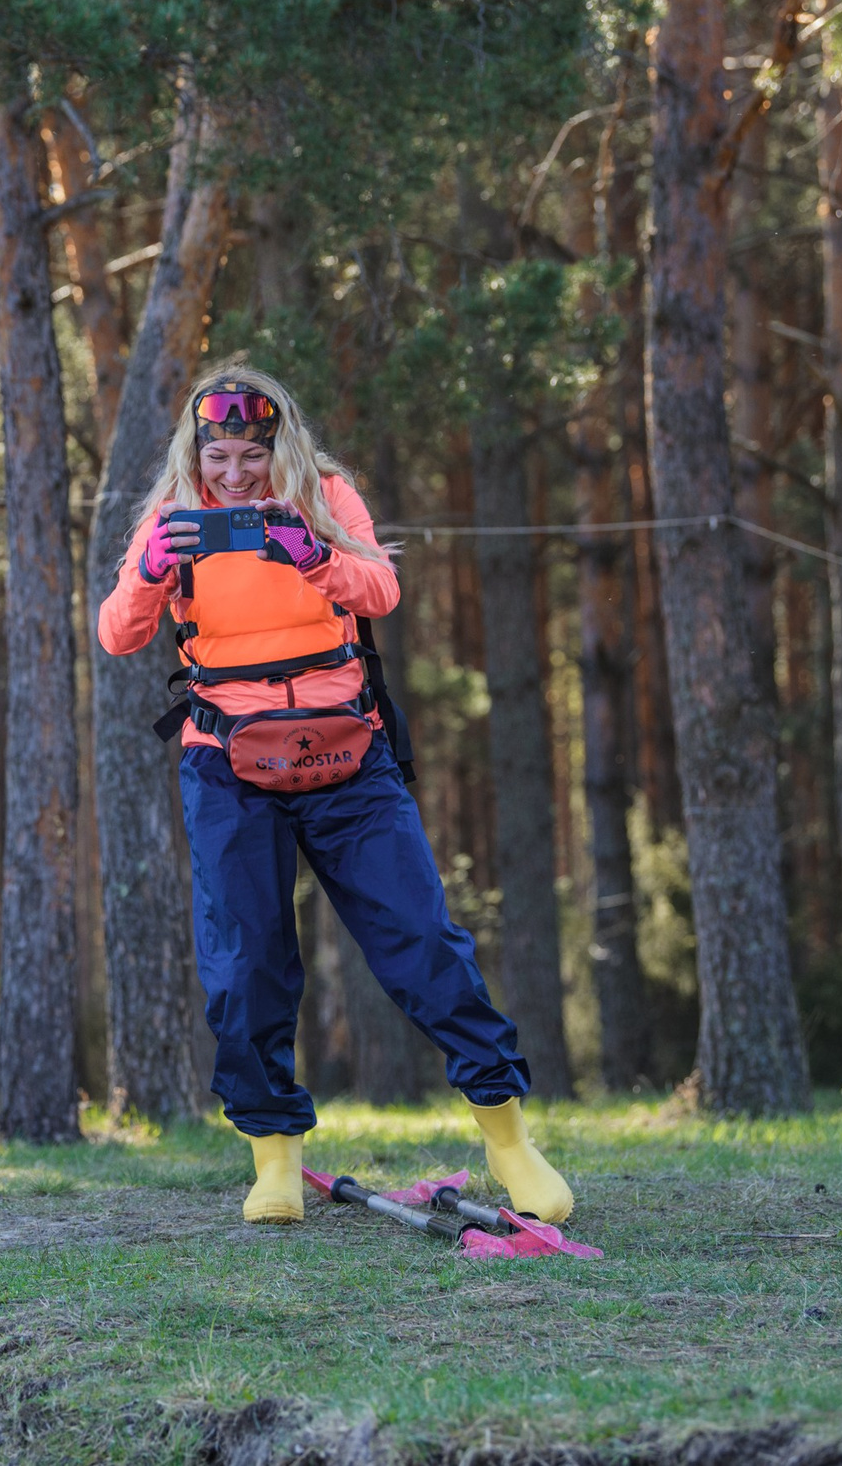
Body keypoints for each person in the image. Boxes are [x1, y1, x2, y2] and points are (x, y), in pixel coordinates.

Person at [96, 364, 573, 1228]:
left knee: (423, 942)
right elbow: (118, 631)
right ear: (194, 453)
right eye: (219, 456)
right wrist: (150, 571)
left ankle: (508, 1137)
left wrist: (314, 554)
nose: (234, 475)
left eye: (252, 455)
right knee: (244, 966)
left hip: (350, 759)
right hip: (229, 766)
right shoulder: (171, 516)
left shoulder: (327, 498)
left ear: (282, 448)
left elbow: (380, 588)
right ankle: (274, 1156)